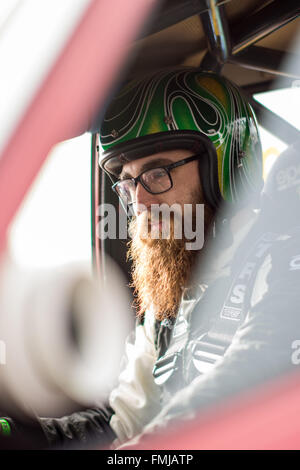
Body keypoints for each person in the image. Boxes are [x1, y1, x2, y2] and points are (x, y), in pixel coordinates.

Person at [2, 66, 293, 450]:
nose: (139, 202)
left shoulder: (283, 260)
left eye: (157, 173)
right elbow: (123, 420)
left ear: (226, 166)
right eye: (127, 182)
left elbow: (257, 369)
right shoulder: (169, 299)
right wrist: (24, 435)